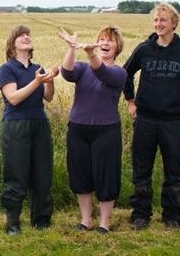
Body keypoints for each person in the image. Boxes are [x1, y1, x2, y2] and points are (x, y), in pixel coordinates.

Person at [123, 3, 180, 230]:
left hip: (174, 121)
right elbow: (125, 73)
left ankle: (172, 216)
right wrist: (130, 101)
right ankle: (141, 215)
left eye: (163, 20)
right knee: (142, 170)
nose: (158, 24)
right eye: (155, 20)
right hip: (145, 120)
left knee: (173, 172)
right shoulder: (144, 49)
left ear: (174, 23)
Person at [58, 26, 127, 234]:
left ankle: (104, 222)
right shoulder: (83, 68)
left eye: (110, 41)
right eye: (102, 39)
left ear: (117, 47)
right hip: (78, 128)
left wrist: (90, 53)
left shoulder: (119, 72)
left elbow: (102, 72)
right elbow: (67, 72)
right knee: (81, 175)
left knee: (106, 175)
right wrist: (71, 48)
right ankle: (86, 219)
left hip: (106, 130)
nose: (105, 43)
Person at [0, 25, 58, 235]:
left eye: (28, 35)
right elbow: (13, 98)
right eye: (21, 35)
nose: (26, 37)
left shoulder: (37, 68)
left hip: (40, 123)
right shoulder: (7, 69)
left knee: (43, 173)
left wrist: (49, 80)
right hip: (16, 125)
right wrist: (37, 81)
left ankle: (41, 220)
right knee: (17, 174)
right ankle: (13, 223)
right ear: (12, 43)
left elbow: (48, 97)